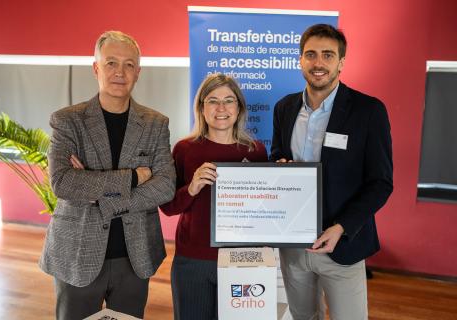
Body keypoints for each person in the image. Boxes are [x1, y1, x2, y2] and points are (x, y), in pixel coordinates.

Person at [39, 30, 176, 320]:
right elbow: (63, 183)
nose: (120, 72)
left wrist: (95, 187)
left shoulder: (155, 124)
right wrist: (134, 178)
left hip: (135, 255)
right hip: (77, 252)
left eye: (129, 64)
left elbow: (165, 186)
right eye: (111, 62)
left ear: (138, 72)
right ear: (96, 68)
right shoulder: (67, 121)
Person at [271, 24, 393, 320]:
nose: (318, 63)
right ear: (300, 60)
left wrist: (341, 227)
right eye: (311, 54)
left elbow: (380, 183)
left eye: (328, 55)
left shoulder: (368, 111)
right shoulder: (284, 108)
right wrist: (280, 166)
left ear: (340, 62)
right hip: (294, 244)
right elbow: (278, 154)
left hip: (342, 245)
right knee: (302, 317)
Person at [160, 73, 268, 320]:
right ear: (201, 107)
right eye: (212, 101)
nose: (221, 108)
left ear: (239, 107)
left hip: (243, 258)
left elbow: (265, 207)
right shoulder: (184, 149)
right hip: (194, 260)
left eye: (229, 100)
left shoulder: (256, 151)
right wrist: (192, 187)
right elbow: (168, 207)